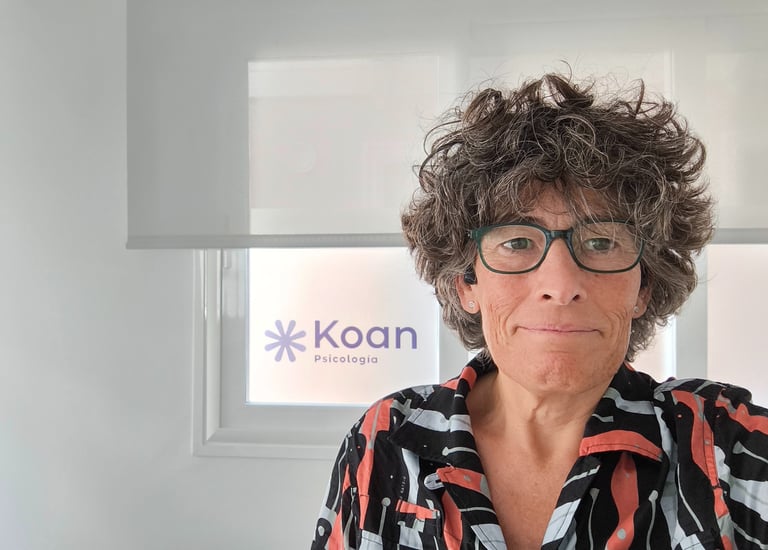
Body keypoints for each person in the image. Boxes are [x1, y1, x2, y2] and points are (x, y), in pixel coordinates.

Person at [310, 73, 768, 549]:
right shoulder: (387, 438)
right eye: (516, 242)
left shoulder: (730, 447)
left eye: (601, 242)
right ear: (466, 283)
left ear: (644, 286)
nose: (561, 286)